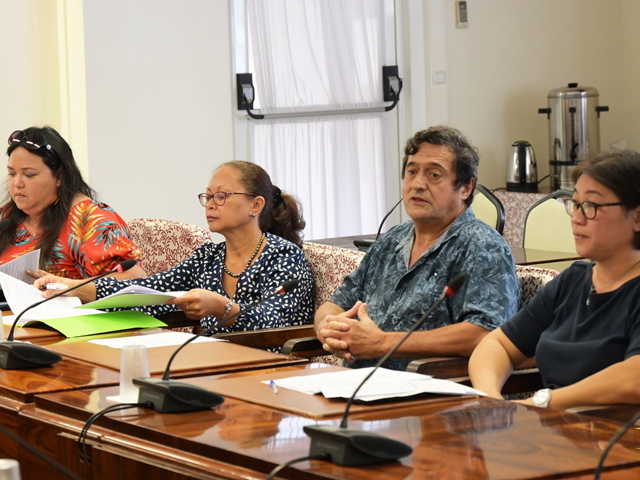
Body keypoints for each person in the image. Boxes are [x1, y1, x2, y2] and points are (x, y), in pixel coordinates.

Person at [315, 126, 520, 371]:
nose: (418, 184)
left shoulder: (482, 246)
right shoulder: (393, 239)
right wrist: (328, 328)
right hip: (356, 384)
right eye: (412, 172)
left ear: (466, 188)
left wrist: (383, 343)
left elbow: (488, 334)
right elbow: (337, 303)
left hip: (429, 388)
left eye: (434, 175)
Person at [36, 161, 314, 335]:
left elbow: (273, 325)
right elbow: (147, 290)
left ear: (256, 205)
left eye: (221, 196)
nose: (210, 204)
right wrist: (73, 288)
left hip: (272, 373)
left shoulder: (283, 256)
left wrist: (220, 307)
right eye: (207, 196)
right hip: (215, 366)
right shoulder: (208, 257)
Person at [469, 149, 640, 410]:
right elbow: (498, 344)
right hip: (549, 425)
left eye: (591, 206)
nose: (577, 218)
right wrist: (491, 400)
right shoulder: (573, 280)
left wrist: (545, 402)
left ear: (637, 217)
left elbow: (634, 379)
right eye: (575, 204)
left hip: (613, 433)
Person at [2, 126, 145, 280]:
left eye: (29, 174)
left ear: (59, 177)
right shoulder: (6, 216)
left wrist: (69, 286)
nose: (17, 183)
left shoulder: (86, 218)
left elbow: (135, 276)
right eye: (11, 173)